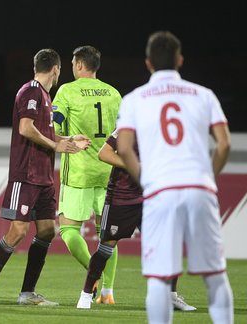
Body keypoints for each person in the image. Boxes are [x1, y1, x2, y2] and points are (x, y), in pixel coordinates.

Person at [116, 30, 234, 323]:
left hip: (161, 190)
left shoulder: (135, 99)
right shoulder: (203, 94)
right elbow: (224, 143)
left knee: (160, 277)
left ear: (148, 63)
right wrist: (208, 175)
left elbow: (124, 147)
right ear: (180, 60)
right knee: (215, 275)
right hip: (199, 187)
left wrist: (146, 178)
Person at [0, 48, 90, 306]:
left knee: (48, 231)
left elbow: (45, 134)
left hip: (44, 178)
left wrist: (69, 140)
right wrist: (55, 145)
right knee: (18, 231)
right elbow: (26, 129)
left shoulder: (44, 96)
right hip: (26, 174)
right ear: (56, 69)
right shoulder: (30, 91)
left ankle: (27, 293)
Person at [76, 130, 196, 311]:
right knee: (106, 247)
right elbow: (104, 153)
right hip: (121, 197)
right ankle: (86, 294)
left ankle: (170, 297)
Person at [52, 45, 121, 304]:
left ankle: (94, 277)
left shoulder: (67, 91)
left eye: (73, 63)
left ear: (80, 65)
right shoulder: (114, 94)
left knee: (69, 231)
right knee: (109, 236)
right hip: (109, 174)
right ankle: (108, 292)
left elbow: (54, 128)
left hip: (78, 174)